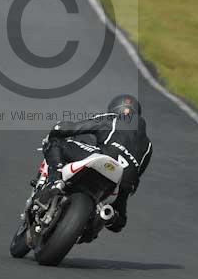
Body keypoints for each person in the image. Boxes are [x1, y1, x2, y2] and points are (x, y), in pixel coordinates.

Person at [39, 94, 152, 239]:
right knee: (119, 221)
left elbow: (76, 128)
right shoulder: (149, 146)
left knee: (56, 142)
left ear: (114, 109)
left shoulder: (113, 119)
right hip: (124, 179)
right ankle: (103, 218)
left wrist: (58, 128)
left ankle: (54, 183)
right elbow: (136, 177)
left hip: (105, 159)